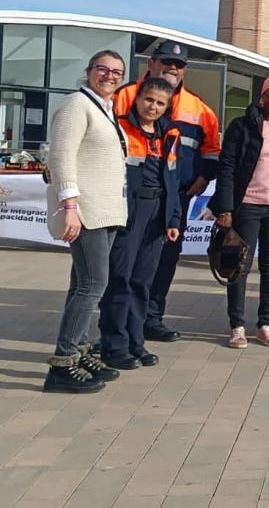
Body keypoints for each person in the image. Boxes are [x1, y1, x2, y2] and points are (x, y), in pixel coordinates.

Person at [113, 40, 221, 344]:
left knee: (164, 259)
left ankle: (151, 318)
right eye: (165, 62)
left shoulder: (199, 108)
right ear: (151, 64)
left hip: (176, 197)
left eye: (178, 65)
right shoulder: (126, 96)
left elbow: (212, 149)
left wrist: (204, 176)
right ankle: (117, 325)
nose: (172, 69)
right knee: (124, 261)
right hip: (128, 194)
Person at [43, 50, 129, 393]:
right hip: (87, 210)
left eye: (116, 72)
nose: (109, 76)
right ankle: (63, 363)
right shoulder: (75, 105)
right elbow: (60, 155)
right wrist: (70, 206)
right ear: (89, 71)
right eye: (102, 69)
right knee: (94, 284)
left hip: (105, 211)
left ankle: (77, 351)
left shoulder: (104, 109)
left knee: (83, 283)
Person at [99, 77, 184, 369]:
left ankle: (136, 343)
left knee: (141, 282)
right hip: (127, 212)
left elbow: (172, 179)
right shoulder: (120, 127)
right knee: (119, 280)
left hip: (156, 213)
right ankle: (113, 346)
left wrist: (173, 218)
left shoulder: (170, 134)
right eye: (149, 100)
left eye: (160, 103)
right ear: (137, 99)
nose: (153, 106)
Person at [212, 75, 269, 349]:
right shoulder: (242, 126)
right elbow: (226, 167)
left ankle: (264, 323)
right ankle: (236, 326)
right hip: (247, 204)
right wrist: (225, 207)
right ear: (261, 97)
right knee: (240, 265)